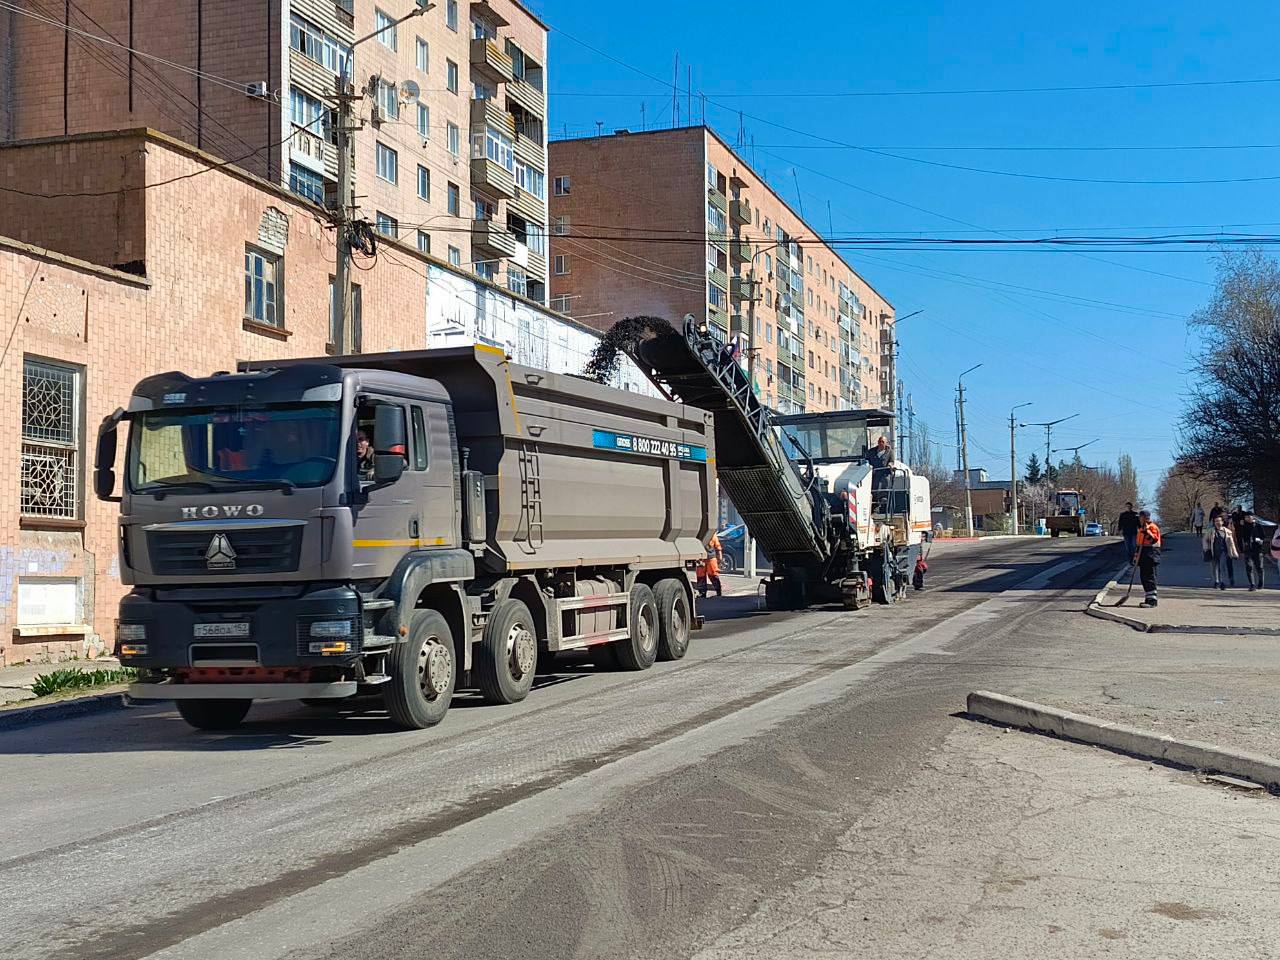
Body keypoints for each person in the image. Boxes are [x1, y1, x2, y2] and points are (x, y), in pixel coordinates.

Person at [1202, 514, 1238, 591]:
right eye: (1216, 521)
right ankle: (1216, 581)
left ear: (1222, 522)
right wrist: (1206, 548)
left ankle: (1222, 582)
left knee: (1222, 567)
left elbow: (1232, 543)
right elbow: (1205, 540)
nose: (1217, 522)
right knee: (1214, 568)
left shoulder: (1227, 532)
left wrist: (1234, 553)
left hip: (1224, 552)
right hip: (1213, 551)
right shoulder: (1211, 531)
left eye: (1219, 521)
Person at [1135, 510, 1162, 608]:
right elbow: (1138, 544)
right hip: (1143, 554)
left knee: (1149, 577)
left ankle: (1152, 600)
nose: (1139, 519)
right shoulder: (1141, 528)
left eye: (1140, 517)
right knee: (1144, 577)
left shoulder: (1152, 527)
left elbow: (1153, 540)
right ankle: (1148, 597)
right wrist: (1136, 555)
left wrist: (1147, 532)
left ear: (1145, 517)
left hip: (1151, 553)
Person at [1237, 509, 1266, 591]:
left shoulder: (1258, 526)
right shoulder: (1244, 527)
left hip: (1258, 549)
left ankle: (1261, 582)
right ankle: (1252, 584)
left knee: (1259, 567)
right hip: (1248, 550)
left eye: (1249, 516)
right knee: (1249, 567)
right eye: (1246, 517)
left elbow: (1263, 537)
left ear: (1253, 517)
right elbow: (1240, 537)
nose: (1247, 518)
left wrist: (1259, 540)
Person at [696, 532, 723, 598]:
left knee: (713, 576)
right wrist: (719, 558)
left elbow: (718, 547)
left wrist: (719, 558)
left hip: (709, 558)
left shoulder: (712, 534)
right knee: (701, 576)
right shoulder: (711, 534)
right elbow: (718, 547)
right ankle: (702, 593)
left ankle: (718, 592)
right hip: (701, 558)